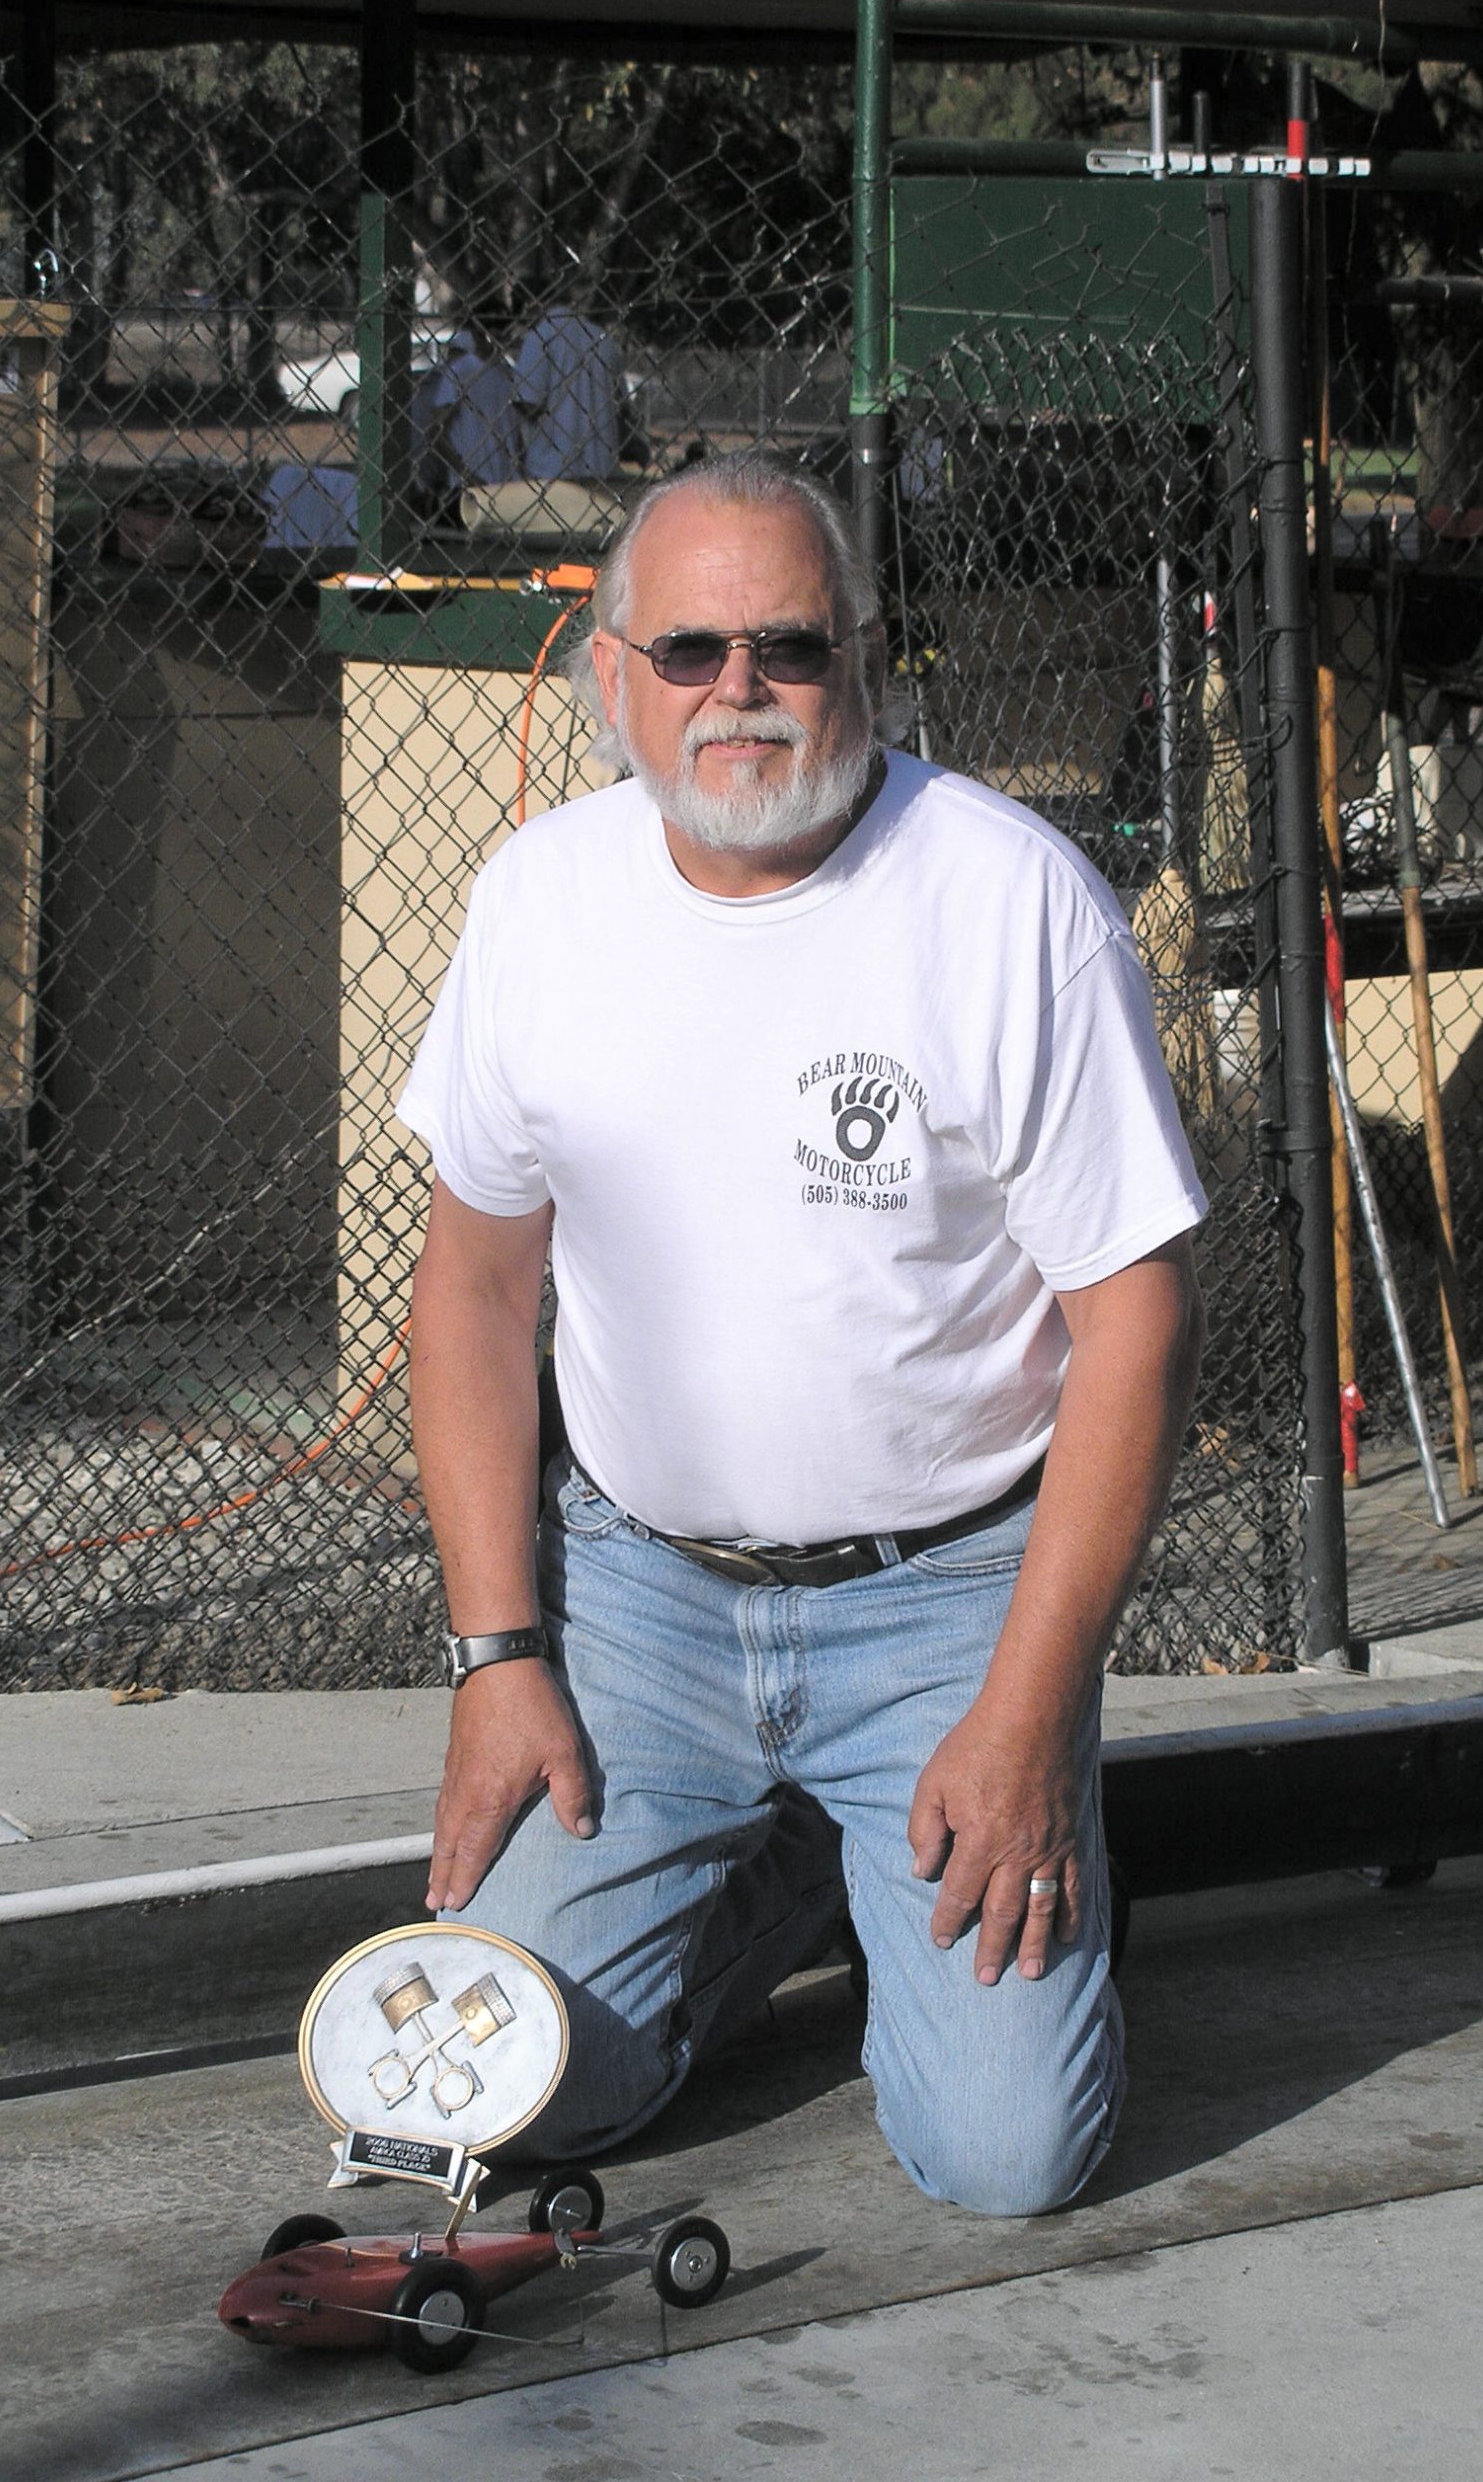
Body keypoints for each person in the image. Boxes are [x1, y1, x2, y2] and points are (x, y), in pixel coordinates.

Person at [395, 451, 1206, 2215]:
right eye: (689, 651)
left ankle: (942, 1838)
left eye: (789, 647)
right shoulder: (540, 900)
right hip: (641, 1600)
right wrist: (495, 1657)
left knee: (1006, 2160)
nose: (739, 693)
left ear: (865, 657)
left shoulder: (1011, 904)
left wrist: (1026, 1707)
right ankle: (788, 1870)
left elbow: (1134, 1327)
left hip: (945, 1605)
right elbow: (470, 1288)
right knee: (498, 2104)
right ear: (613, 677)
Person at [409, 320, 523, 502]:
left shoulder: (504, 373)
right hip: (484, 486)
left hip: (491, 485)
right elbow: (435, 433)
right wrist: (467, 475)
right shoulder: (466, 372)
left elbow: (434, 433)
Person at [510, 303, 627, 479]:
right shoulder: (603, 338)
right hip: (602, 466)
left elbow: (528, 402)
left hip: (552, 469)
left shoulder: (541, 336)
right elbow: (622, 405)